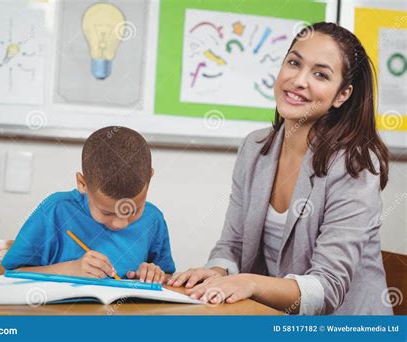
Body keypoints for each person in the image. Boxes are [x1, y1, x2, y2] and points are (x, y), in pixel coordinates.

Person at [168, 22, 392, 315]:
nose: (299, 80)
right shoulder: (255, 147)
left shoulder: (355, 166)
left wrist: (248, 283)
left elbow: (327, 288)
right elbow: (231, 244)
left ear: (342, 94)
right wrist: (218, 272)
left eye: (320, 74)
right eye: (294, 63)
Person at [2, 126, 175, 283]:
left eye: (133, 211)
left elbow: (168, 278)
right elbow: (12, 273)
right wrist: (70, 269)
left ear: (150, 178)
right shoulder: (56, 211)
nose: (120, 223)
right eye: (107, 213)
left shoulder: (153, 219)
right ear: (82, 184)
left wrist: (155, 275)